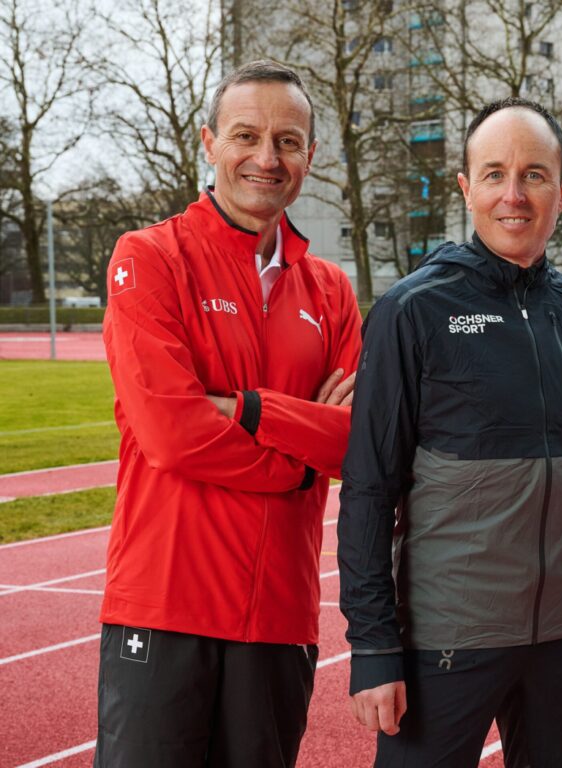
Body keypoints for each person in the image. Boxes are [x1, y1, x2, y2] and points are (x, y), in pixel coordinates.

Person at [338, 97, 562, 768]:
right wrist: (373, 647)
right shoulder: (411, 312)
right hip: (444, 646)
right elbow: (368, 490)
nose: (513, 195)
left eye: (534, 175)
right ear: (466, 188)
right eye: (493, 174)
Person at [96, 60, 362, 767]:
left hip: (277, 614)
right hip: (164, 603)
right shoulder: (149, 258)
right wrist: (297, 465)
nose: (266, 158)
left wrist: (246, 409)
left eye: (288, 141)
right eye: (246, 135)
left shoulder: (332, 292)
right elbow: (171, 434)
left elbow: (358, 443)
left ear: (310, 155)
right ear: (209, 142)